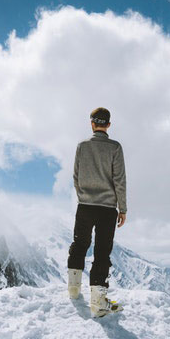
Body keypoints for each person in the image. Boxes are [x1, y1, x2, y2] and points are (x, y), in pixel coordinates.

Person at [67, 107, 127, 317]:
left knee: (79, 244)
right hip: (107, 209)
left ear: (91, 123)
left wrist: (83, 196)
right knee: (102, 252)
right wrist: (123, 208)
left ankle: (74, 290)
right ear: (108, 125)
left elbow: (76, 176)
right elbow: (119, 181)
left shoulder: (82, 146)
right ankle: (99, 303)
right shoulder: (115, 147)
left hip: (85, 205)